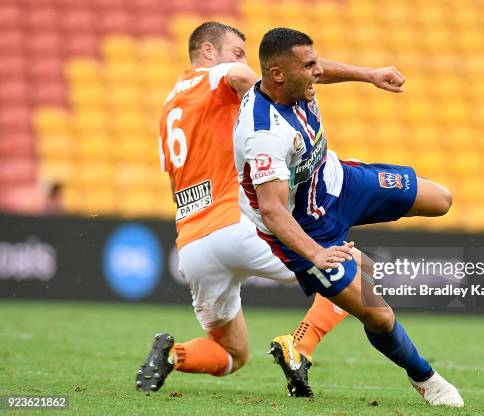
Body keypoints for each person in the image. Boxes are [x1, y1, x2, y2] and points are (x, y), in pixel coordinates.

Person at [136, 21, 407, 396]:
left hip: (194, 244)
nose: (243, 60)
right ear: (209, 51)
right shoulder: (219, 74)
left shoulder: (170, 108)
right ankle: (301, 346)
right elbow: (249, 81)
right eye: (236, 52)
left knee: (232, 353)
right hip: (238, 222)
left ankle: (172, 357)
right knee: (360, 272)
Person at [233, 28, 464, 407]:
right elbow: (273, 210)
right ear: (278, 74)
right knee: (381, 315)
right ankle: (427, 379)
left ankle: (309, 332)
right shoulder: (264, 135)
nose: (317, 72)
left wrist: (369, 74)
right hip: (306, 227)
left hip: (338, 181)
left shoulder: (293, 83)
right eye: (308, 66)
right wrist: (316, 253)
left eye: (314, 62)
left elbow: (322, 68)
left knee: (441, 199)